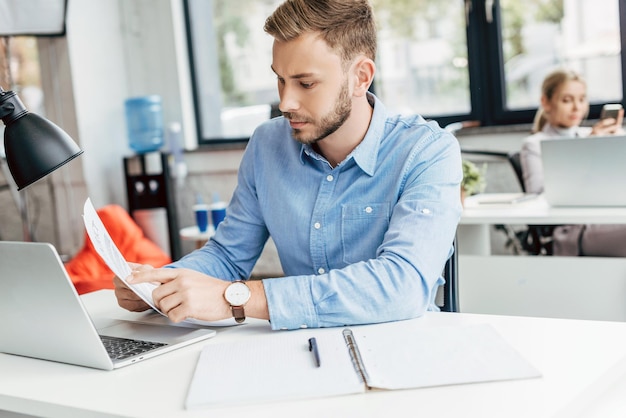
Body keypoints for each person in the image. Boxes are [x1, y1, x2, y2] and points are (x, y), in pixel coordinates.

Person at [114, 0, 462, 330]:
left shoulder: (427, 152)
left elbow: (402, 287)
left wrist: (236, 298)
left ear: (360, 77)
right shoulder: (266, 145)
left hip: (398, 350)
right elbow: (227, 255)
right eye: (280, 79)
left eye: (305, 83)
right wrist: (163, 285)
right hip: (298, 346)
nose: (285, 101)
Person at [520, 68, 626, 256]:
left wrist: (614, 145)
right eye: (567, 100)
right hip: (572, 229)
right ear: (546, 102)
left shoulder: (592, 136)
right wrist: (590, 149)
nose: (577, 107)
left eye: (581, 99)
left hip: (608, 218)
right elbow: (539, 197)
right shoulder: (535, 145)